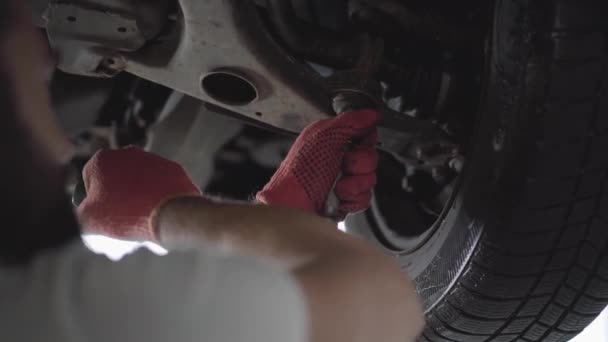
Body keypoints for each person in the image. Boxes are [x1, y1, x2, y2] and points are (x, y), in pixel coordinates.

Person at [0, 1, 424, 341]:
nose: (59, 146)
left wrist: (279, 221)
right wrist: (165, 211)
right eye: (37, 81)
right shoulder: (35, 307)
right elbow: (382, 305)